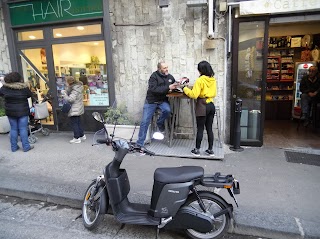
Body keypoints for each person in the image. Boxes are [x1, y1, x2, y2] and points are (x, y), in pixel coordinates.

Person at [136, 61, 177, 148]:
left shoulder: (170, 77)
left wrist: (178, 85)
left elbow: (173, 84)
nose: (166, 69)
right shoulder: (153, 77)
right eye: (164, 68)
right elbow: (154, 90)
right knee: (145, 121)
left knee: (168, 111)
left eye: (167, 67)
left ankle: (159, 123)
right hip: (151, 101)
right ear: (159, 69)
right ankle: (139, 143)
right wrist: (168, 88)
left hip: (162, 101)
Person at [181, 61, 217, 157]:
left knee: (200, 128)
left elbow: (194, 95)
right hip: (211, 105)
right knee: (209, 128)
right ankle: (210, 150)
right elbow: (214, 93)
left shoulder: (200, 80)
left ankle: (197, 150)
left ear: (200, 70)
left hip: (202, 105)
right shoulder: (212, 79)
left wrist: (184, 88)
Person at [0, 72, 34, 152]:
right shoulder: (24, 88)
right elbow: (29, 95)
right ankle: (26, 147)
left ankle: (14, 147)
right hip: (23, 111)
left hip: (10, 111)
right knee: (22, 128)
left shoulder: (5, 88)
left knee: (13, 129)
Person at [62, 76, 86, 144]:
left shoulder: (75, 89)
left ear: (69, 82)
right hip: (78, 107)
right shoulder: (77, 87)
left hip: (74, 108)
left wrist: (64, 94)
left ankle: (76, 138)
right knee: (78, 122)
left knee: (74, 123)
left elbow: (71, 99)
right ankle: (82, 135)